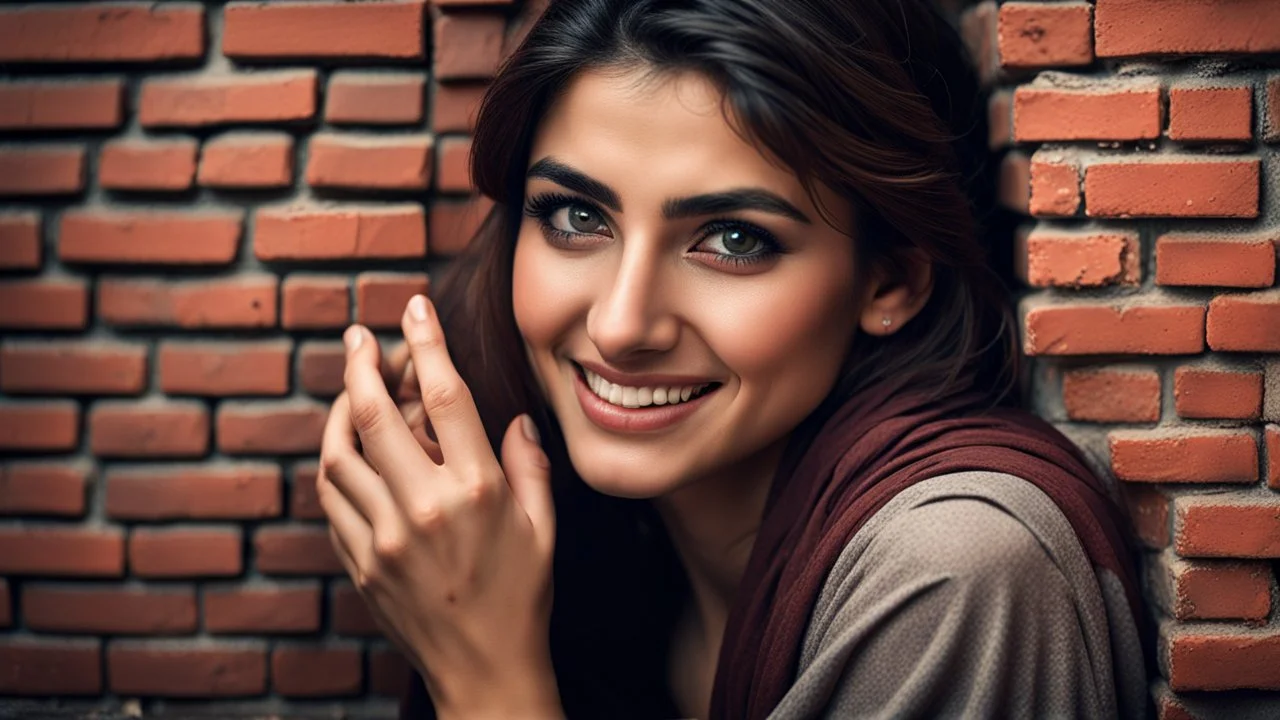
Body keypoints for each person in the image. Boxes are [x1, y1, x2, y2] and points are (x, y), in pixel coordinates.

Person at [315, 0, 1148, 717]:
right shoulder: (585, 549)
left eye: (734, 239)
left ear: (889, 280)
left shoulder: (960, 577)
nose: (620, 324)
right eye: (575, 217)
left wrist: (485, 677)